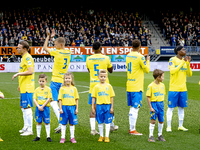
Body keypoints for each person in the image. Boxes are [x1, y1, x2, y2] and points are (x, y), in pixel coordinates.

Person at [86, 41, 118, 135]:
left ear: (92, 49)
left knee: (93, 108)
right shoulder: (106, 58)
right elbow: (111, 70)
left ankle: (93, 129)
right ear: (101, 48)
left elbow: (89, 70)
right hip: (105, 86)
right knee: (109, 106)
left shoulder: (89, 58)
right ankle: (111, 125)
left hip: (93, 86)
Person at [43, 28, 71, 133]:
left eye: (55, 44)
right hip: (64, 81)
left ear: (60, 45)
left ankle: (61, 121)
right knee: (61, 102)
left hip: (55, 81)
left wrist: (47, 36)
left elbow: (45, 48)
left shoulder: (57, 52)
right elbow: (60, 43)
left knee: (53, 102)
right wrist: (54, 37)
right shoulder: (68, 52)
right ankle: (64, 120)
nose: (54, 46)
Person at [126, 39, 150, 135]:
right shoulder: (140, 57)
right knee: (135, 108)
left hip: (129, 85)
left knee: (133, 107)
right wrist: (147, 61)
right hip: (137, 85)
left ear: (132, 46)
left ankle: (132, 128)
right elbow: (147, 70)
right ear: (140, 46)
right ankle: (132, 129)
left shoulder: (128, 55)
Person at [166, 46, 192, 132]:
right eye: (183, 49)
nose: (185, 51)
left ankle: (180, 126)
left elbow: (190, 74)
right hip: (174, 88)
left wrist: (187, 64)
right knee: (171, 108)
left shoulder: (185, 61)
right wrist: (182, 63)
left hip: (183, 89)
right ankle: (168, 126)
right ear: (178, 51)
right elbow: (172, 71)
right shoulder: (172, 59)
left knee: (181, 107)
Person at [12, 40, 35, 136]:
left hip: (28, 87)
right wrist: (20, 84)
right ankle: (26, 126)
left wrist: (18, 74)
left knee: (27, 107)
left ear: (25, 49)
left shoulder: (28, 58)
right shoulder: (23, 58)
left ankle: (30, 130)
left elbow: (30, 71)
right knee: (23, 107)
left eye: (19, 48)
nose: (17, 49)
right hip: (23, 86)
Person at [91, 69, 115, 143]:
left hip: (107, 106)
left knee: (107, 122)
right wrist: (92, 107)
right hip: (99, 106)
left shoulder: (109, 86)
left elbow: (111, 97)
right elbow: (93, 97)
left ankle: (107, 136)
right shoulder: (96, 87)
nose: (102, 78)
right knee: (100, 122)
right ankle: (101, 136)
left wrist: (112, 107)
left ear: (106, 77)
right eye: (101, 76)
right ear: (98, 77)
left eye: (104, 76)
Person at [58, 72, 79, 144]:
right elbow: (60, 99)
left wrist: (76, 108)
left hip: (72, 107)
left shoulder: (74, 88)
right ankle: (62, 137)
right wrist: (60, 108)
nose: (67, 80)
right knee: (63, 123)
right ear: (64, 79)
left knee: (72, 123)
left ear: (71, 79)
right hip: (64, 108)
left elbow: (76, 99)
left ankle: (72, 137)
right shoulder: (62, 88)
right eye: (66, 78)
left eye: (69, 78)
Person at [146, 69, 166, 142]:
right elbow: (148, 97)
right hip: (154, 104)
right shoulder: (151, 86)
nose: (163, 78)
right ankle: (150, 136)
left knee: (161, 120)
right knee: (153, 120)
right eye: (162, 76)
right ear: (158, 77)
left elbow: (163, 94)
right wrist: (150, 107)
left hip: (160, 104)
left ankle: (159, 135)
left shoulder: (163, 85)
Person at [33, 74, 52, 142]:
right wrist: (38, 106)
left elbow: (49, 98)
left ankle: (48, 136)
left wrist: (42, 106)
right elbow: (34, 99)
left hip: (45, 108)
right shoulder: (36, 90)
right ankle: (38, 136)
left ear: (46, 81)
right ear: (38, 81)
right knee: (39, 122)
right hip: (38, 108)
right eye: (40, 81)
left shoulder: (48, 89)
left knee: (47, 122)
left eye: (43, 81)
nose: (41, 82)